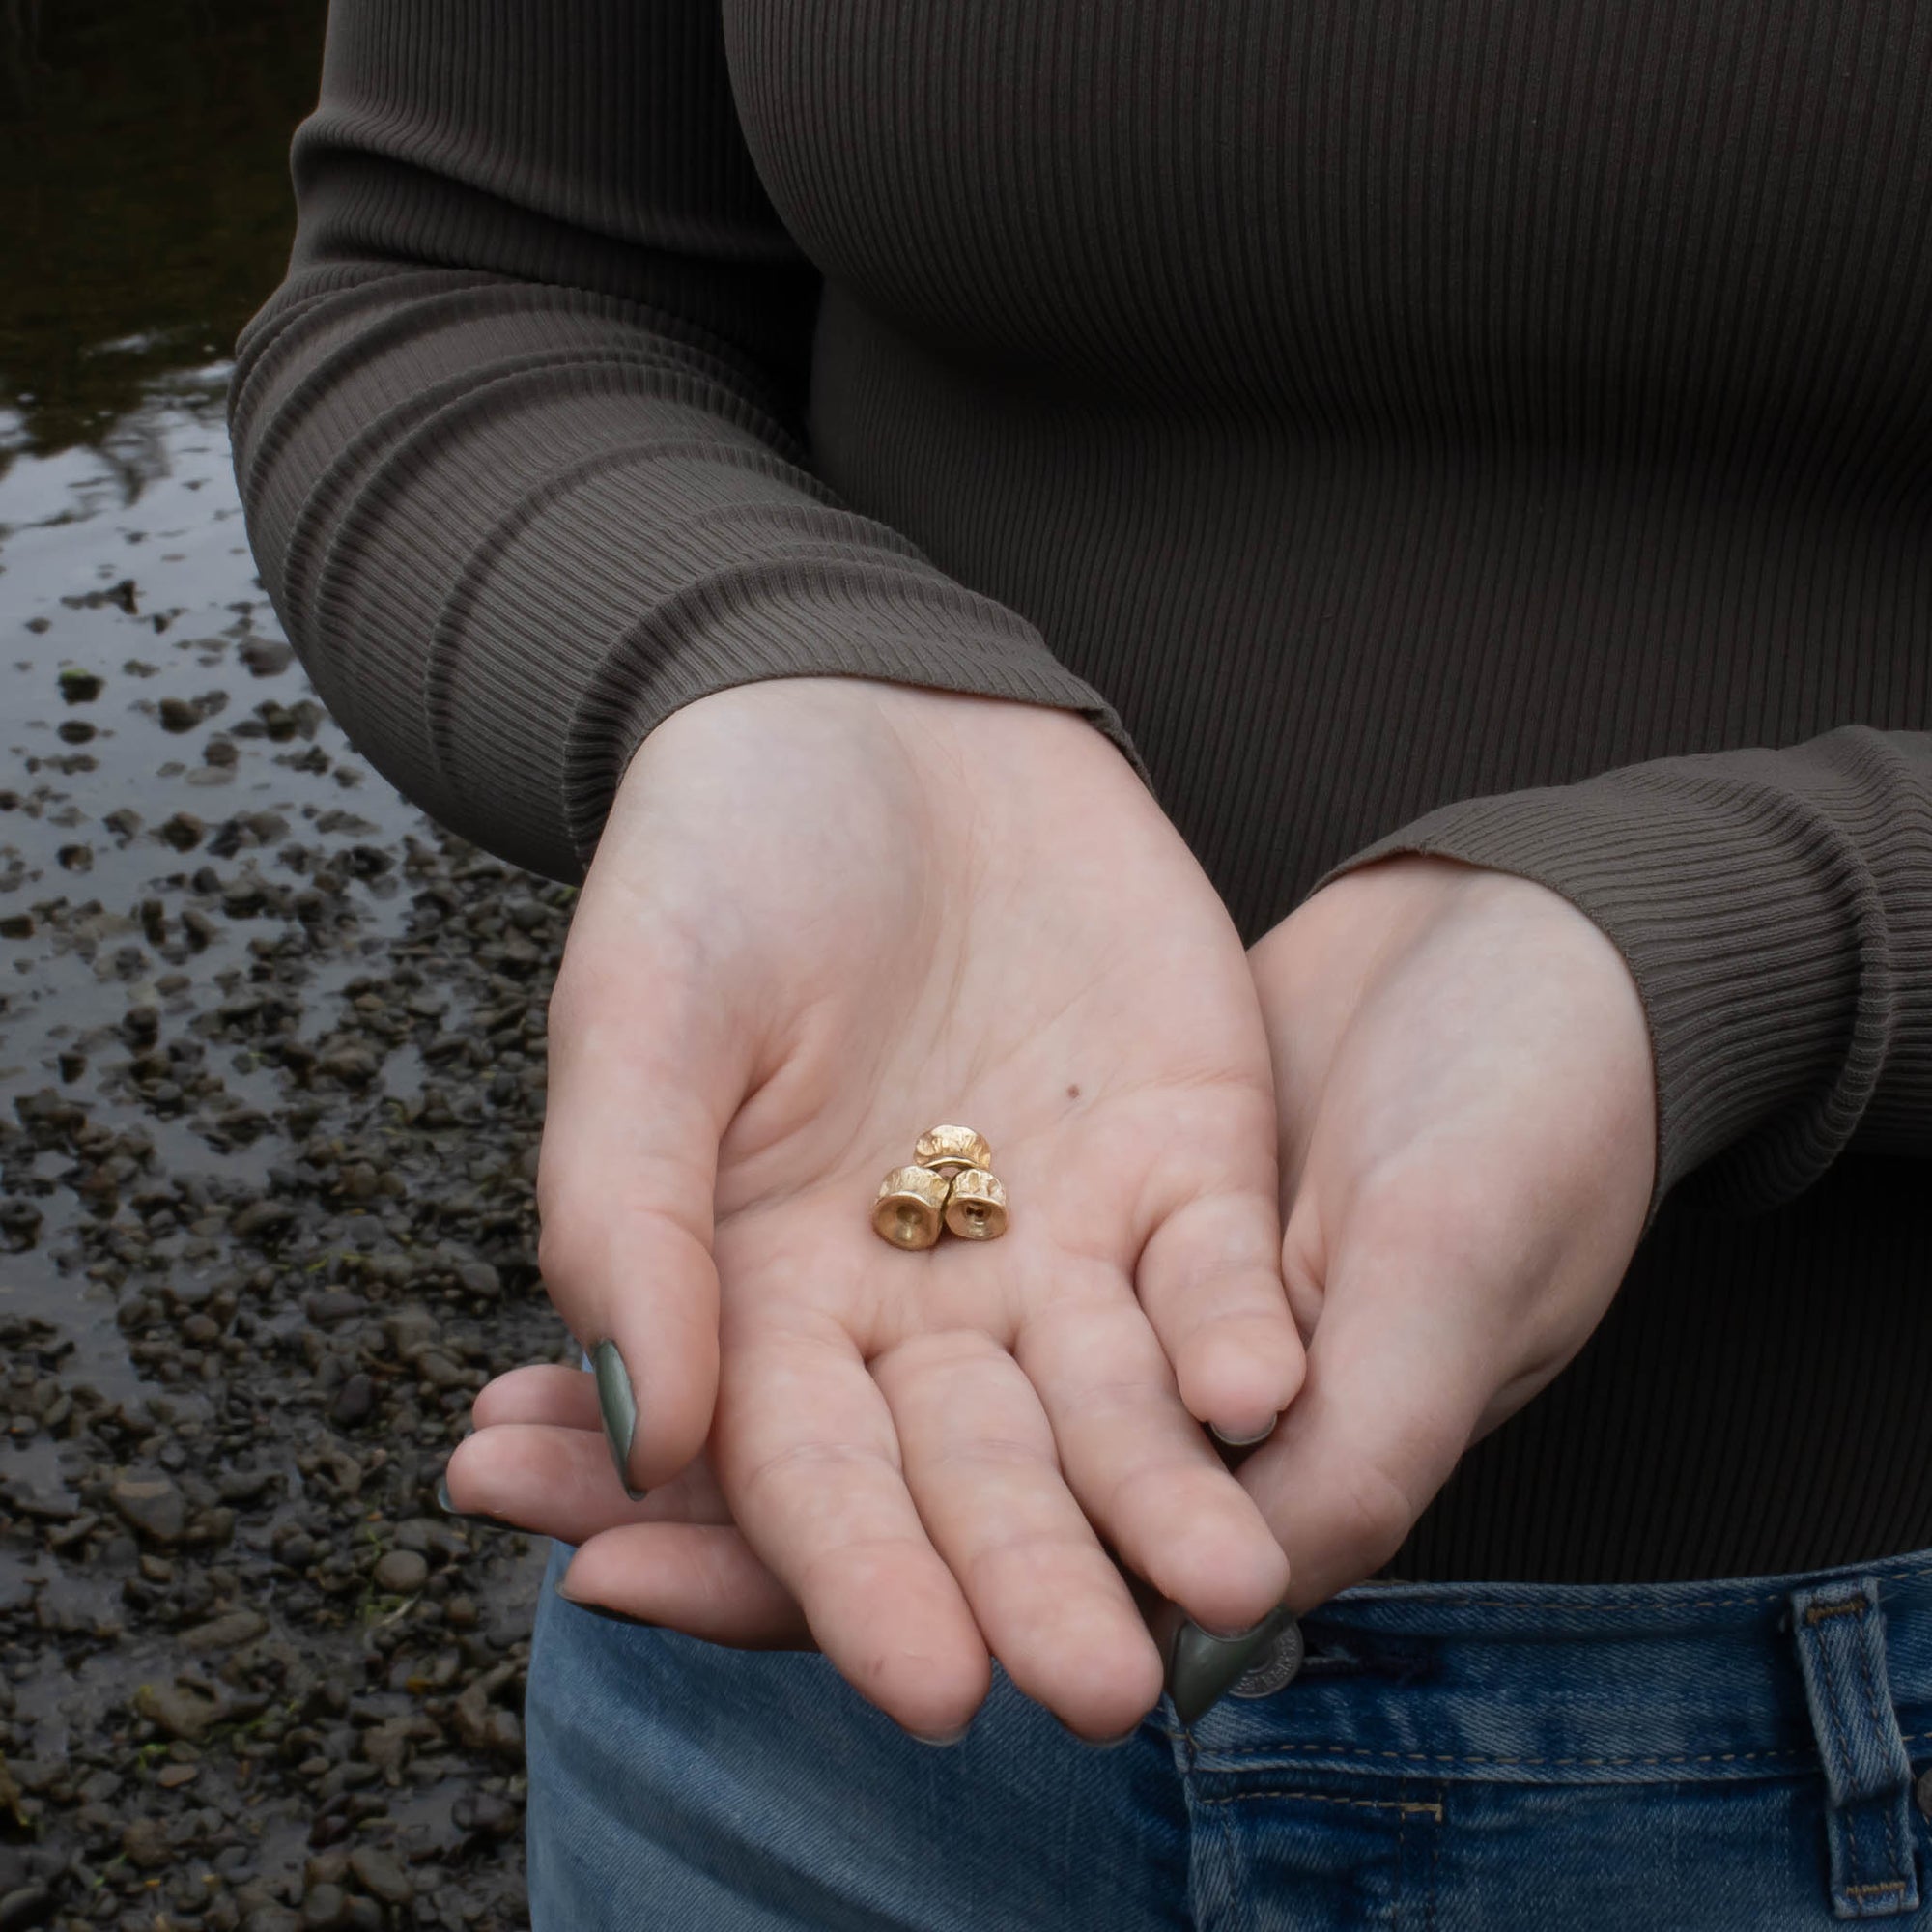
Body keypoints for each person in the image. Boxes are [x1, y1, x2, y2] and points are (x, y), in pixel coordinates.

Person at [231, 1, 1931, 1923]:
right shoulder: (926, 1197)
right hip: (807, 1635)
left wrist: (1767, 929)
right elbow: (469, 283)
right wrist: (765, 655)